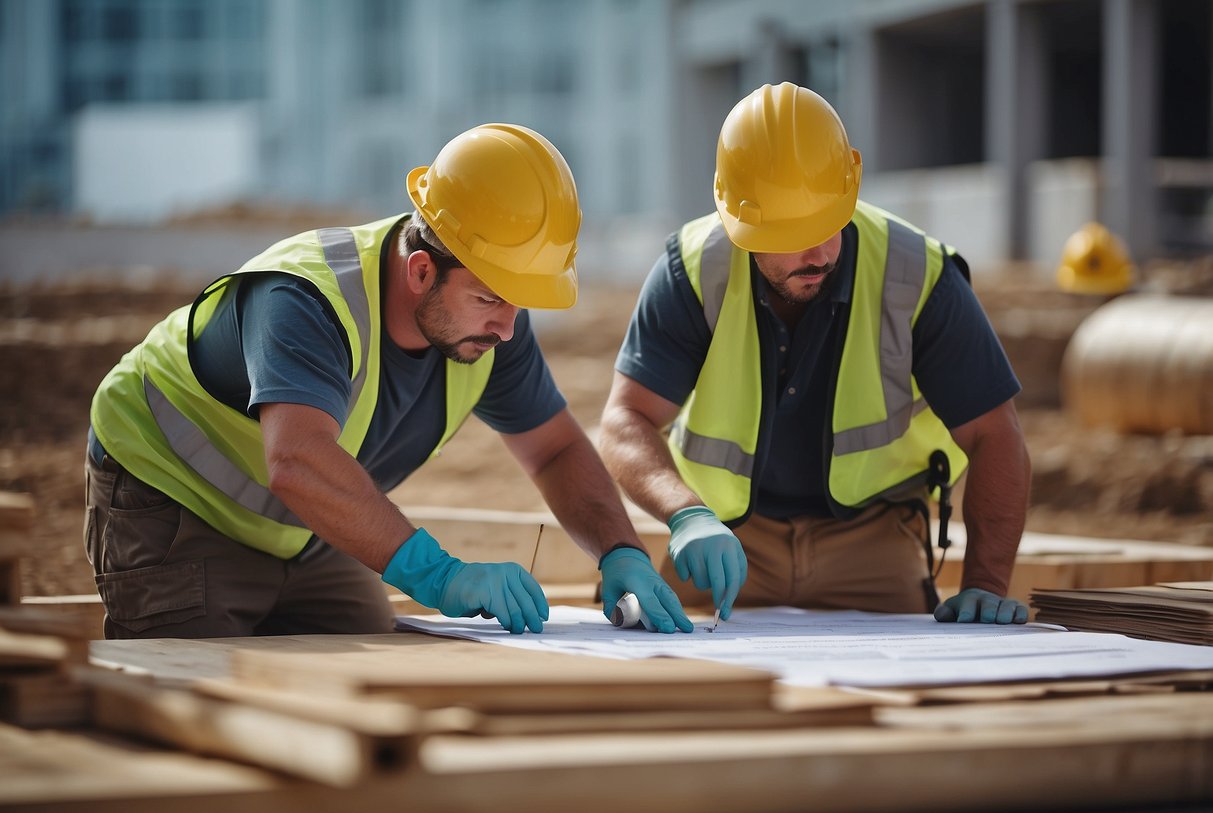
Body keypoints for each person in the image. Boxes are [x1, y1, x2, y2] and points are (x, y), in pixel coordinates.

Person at [86, 123, 692, 639]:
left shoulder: (490, 327)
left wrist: (620, 551)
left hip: (305, 528)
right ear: (422, 270)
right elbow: (297, 461)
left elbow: (555, 448)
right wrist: (441, 576)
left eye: (518, 302)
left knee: (385, 665)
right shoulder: (304, 299)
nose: (507, 329)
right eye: (489, 299)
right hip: (173, 501)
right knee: (201, 699)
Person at [599, 83, 1031, 626]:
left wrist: (986, 586)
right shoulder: (693, 269)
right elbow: (624, 420)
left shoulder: (916, 274)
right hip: (724, 542)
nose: (819, 252)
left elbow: (996, 433)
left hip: (874, 541)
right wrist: (686, 515)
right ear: (739, 221)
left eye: (829, 223)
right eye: (790, 233)